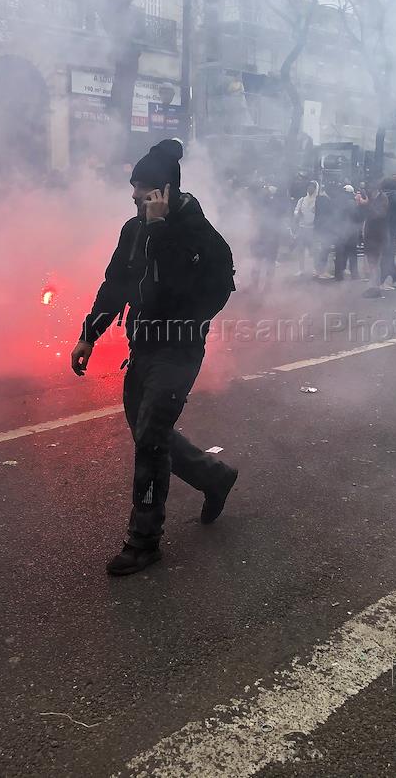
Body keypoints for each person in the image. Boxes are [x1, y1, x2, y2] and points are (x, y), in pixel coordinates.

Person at [71, 139, 239, 577]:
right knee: (150, 434)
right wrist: (89, 335)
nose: (133, 196)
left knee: (150, 438)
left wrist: (161, 230)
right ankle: (214, 476)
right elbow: (116, 285)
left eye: (142, 190)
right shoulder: (134, 231)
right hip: (141, 347)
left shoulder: (200, 237)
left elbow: (196, 294)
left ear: (164, 192)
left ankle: (143, 541)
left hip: (179, 352)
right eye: (133, 188)